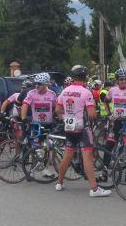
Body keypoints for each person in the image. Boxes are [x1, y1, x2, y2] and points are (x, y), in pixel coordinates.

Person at [54, 65, 111, 197]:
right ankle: (94, 189)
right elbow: (91, 114)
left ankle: (59, 183)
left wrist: (67, 116)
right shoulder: (86, 92)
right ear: (85, 77)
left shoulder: (65, 91)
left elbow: (57, 110)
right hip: (83, 127)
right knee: (87, 157)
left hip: (69, 126)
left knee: (67, 155)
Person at [21, 72, 58, 178]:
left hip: (49, 124)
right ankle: (30, 171)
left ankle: (46, 169)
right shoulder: (32, 93)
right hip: (36, 124)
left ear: (46, 84)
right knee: (35, 148)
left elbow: (56, 107)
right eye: (36, 84)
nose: (37, 86)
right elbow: (25, 105)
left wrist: (59, 119)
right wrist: (23, 118)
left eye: (39, 84)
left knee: (50, 148)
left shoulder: (52, 94)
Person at [103, 68, 126, 165]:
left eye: (125, 79)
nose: (123, 81)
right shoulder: (112, 90)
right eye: (121, 79)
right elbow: (105, 101)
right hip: (116, 121)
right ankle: (104, 171)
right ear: (117, 80)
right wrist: (109, 114)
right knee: (109, 145)